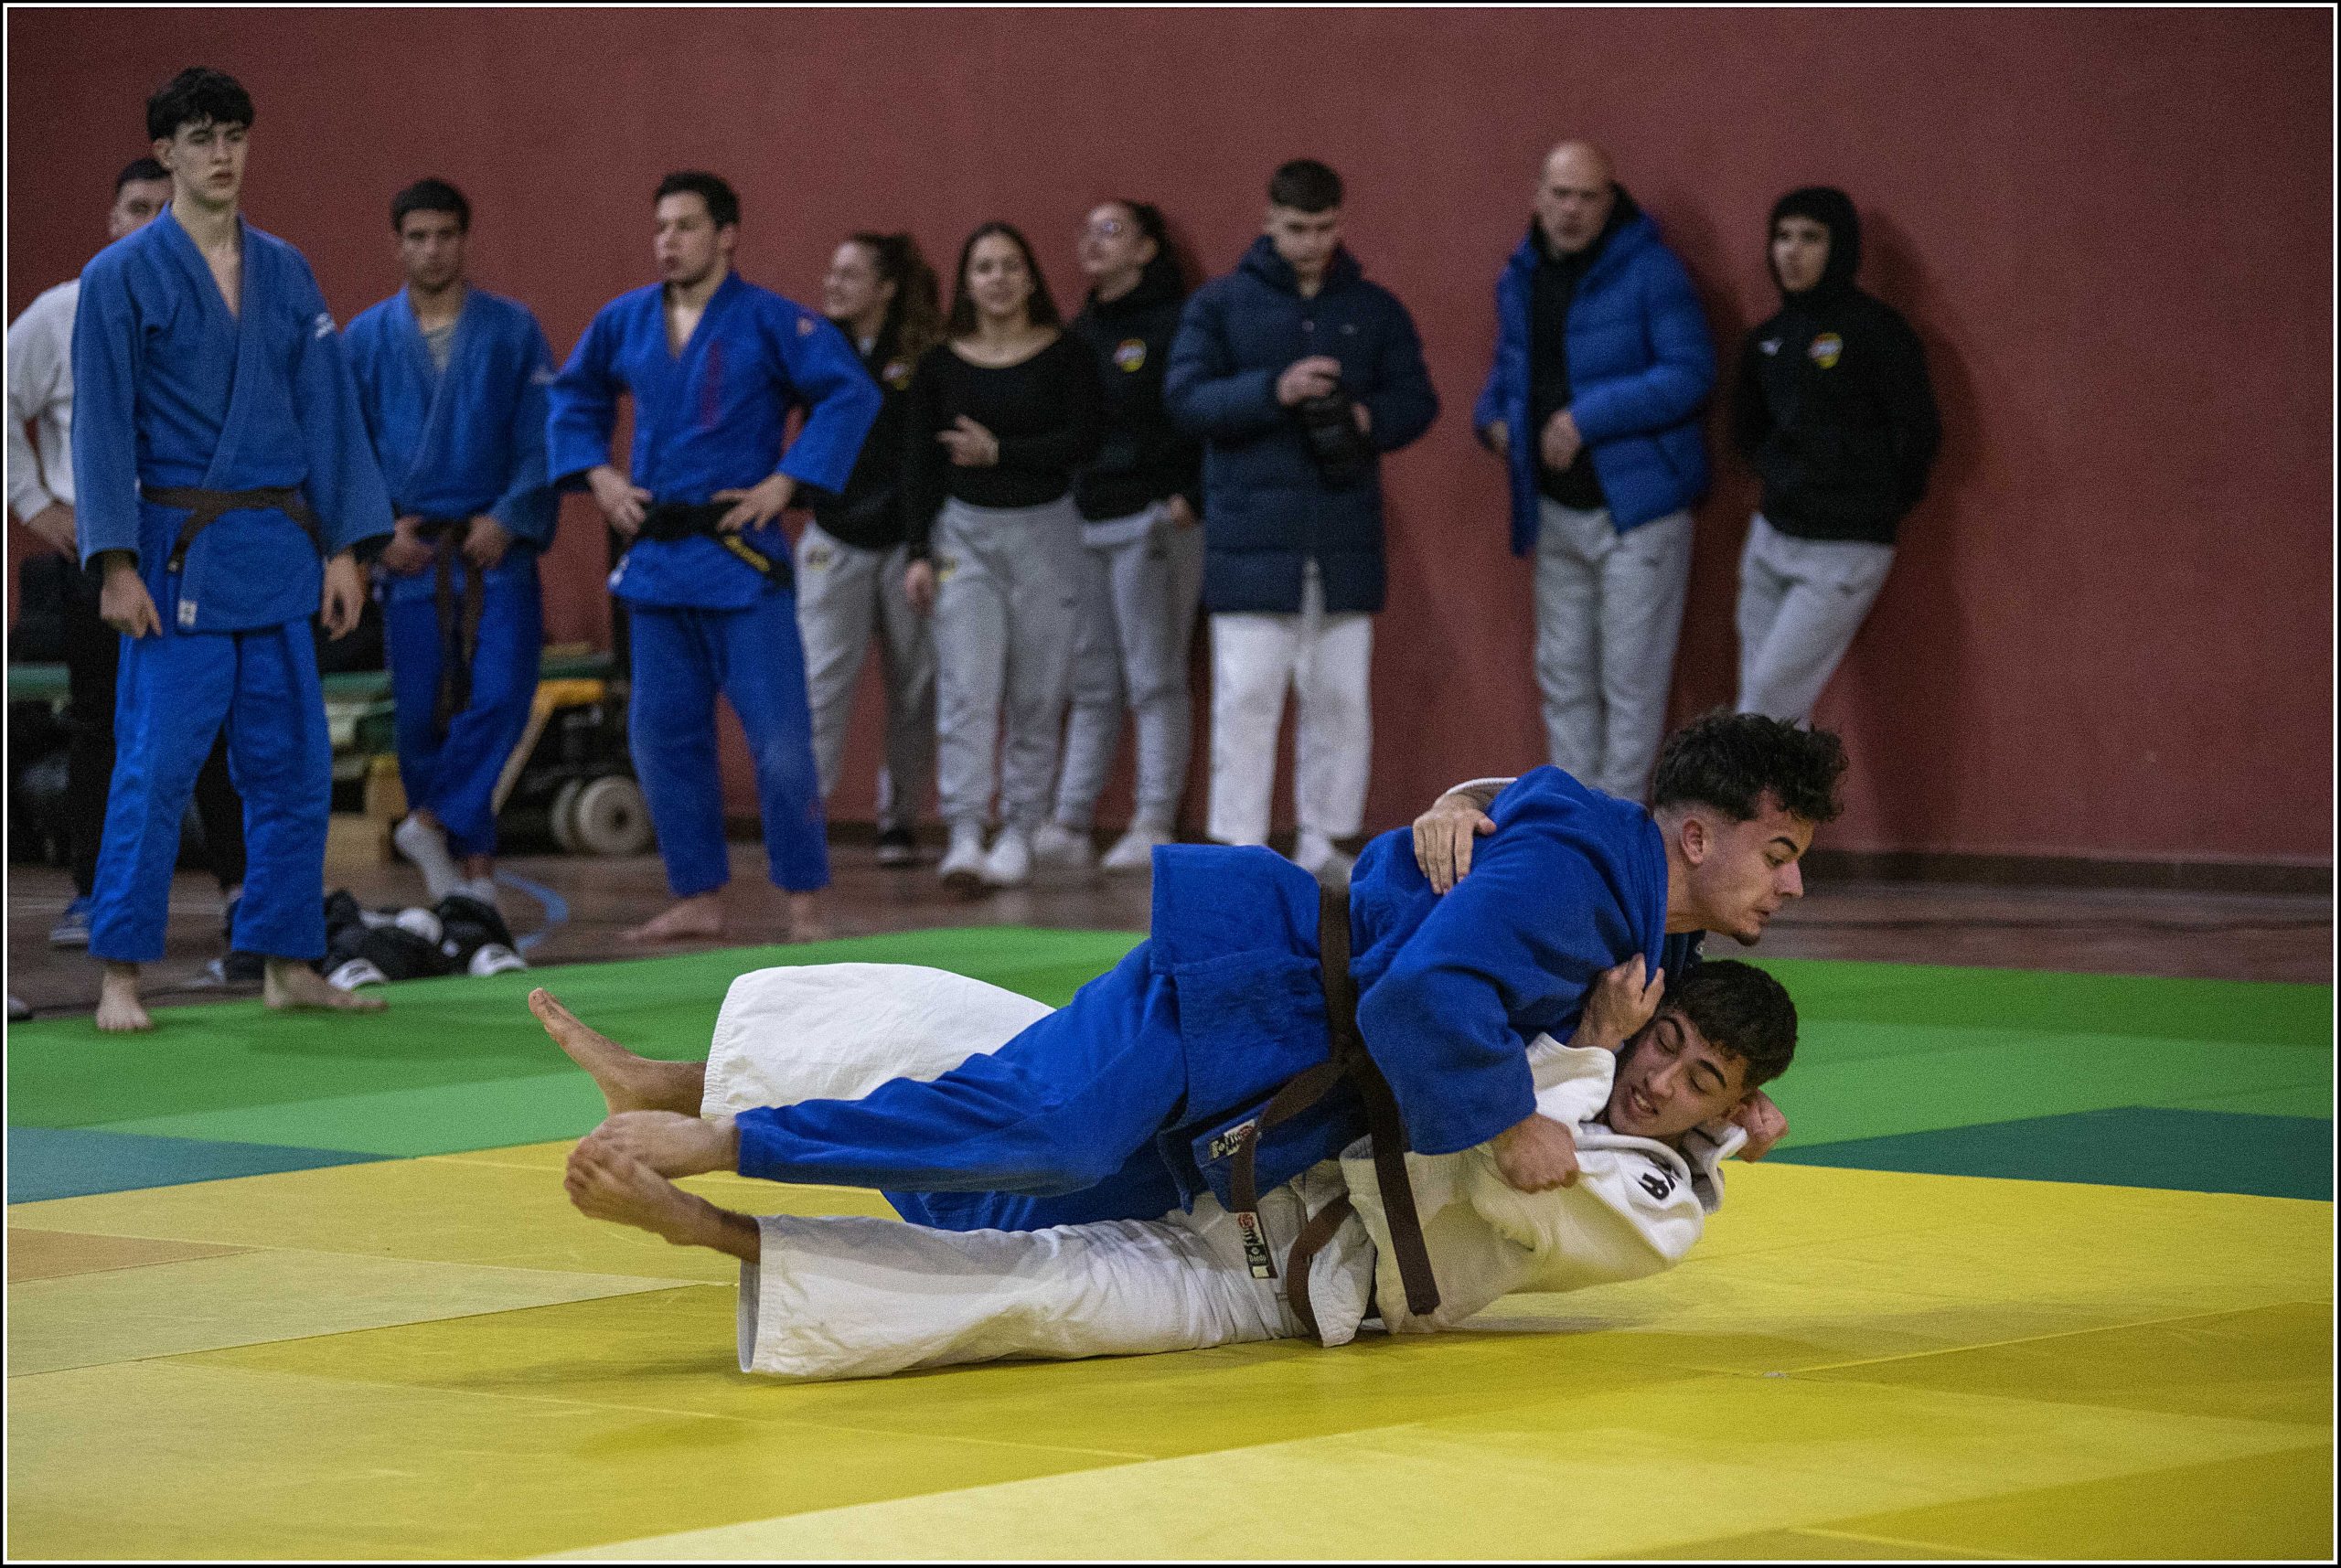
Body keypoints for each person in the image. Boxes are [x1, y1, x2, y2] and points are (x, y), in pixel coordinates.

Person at [547, 712, 1839, 1270]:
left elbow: (1667, 1047)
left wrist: (1730, 1120)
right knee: (1050, 1131)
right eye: (1778, 850)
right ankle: (720, 1138)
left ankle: (700, 1110)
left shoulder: (1641, 916)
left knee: (1008, 1205)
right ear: (1695, 833)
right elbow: (1422, 997)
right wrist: (1506, 1117)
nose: (1789, 883)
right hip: (1246, 982)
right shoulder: (1581, 873)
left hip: (1282, 1083)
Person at [547, 950, 1792, 1381]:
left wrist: (1592, 1045)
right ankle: (686, 1085)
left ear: (1728, 1110)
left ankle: (703, 1223)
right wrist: (1458, 806)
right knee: (1017, 1054)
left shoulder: (1661, 1201)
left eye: (1700, 1083)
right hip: (1267, 1143)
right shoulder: (1579, 1033)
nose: (1660, 1081)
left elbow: (1500, 1168)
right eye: (1666, 1042)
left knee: (1039, 1288)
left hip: (1281, 1276)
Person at [71, 67, 394, 1032]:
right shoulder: (120, 276)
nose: (222, 154)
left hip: (280, 550)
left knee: (295, 769)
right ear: (165, 151)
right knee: (156, 766)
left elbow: (328, 411)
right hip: (178, 559)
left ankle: (287, 958)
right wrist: (114, 562)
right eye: (201, 137)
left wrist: (344, 547)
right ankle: (120, 971)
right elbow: (100, 427)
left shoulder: (287, 269)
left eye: (234, 136)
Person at [547, 171, 880, 944]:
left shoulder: (770, 320)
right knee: (662, 739)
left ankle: (806, 901)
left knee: (783, 746)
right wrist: (600, 475)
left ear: (727, 235)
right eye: (661, 226)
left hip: (741, 561)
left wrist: (787, 481)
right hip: (658, 567)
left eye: (687, 226)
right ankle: (697, 894)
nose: (669, 241)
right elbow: (573, 395)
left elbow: (849, 394)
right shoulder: (625, 319)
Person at [9, 155, 257, 979]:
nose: (151, 220)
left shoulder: (224, 300)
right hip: (104, 546)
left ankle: (240, 888)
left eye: (163, 206)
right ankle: (94, 891)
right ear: (112, 221)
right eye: (136, 208)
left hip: (199, 540)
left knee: (218, 717)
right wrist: (36, 503)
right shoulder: (65, 309)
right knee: (101, 723)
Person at [1164, 159, 1438, 881]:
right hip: (1250, 538)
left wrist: (1364, 416)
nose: (1312, 242)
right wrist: (1274, 389)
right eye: (1297, 228)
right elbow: (1185, 397)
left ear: (1341, 222)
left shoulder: (1373, 309)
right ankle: (1241, 848)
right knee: (1246, 698)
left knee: (1341, 699)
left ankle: (1328, 840)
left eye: (1324, 228)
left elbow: (1418, 401)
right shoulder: (1220, 305)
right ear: (1268, 220)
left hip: (1343, 537)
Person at [1474, 141, 1716, 803]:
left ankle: (1619, 820)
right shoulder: (1521, 275)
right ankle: (1575, 817)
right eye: (1560, 194)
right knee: (1563, 673)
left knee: (1631, 677)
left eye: (1587, 197)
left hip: (1638, 510)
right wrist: (1491, 419)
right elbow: (1510, 369)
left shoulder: (1652, 271)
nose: (1572, 210)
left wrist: (1587, 418)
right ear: (1537, 197)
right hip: (1554, 507)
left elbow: (1691, 371)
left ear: (1611, 202)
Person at [346, 177, 558, 910]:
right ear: (397, 244)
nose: (432, 249)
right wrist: (377, 534)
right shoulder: (365, 339)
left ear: (465, 240)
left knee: (501, 695)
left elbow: (542, 436)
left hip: (495, 545)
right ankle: (468, 878)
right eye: (418, 237)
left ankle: (431, 823)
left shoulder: (513, 330)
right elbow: (344, 449)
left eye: (444, 235)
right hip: (412, 551)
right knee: (421, 716)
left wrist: (511, 516)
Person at [901, 222, 1106, 891]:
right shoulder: (939, 364)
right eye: (984, 267)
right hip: (963, 536)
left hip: (1047, 534)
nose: (998, 279)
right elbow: (918, 462)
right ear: (966, 281)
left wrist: (1002, 452)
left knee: (1038, 693)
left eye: (1011, 265)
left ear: (1030, 277)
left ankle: (1020, 827)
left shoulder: (1066, 355)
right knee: (967, 689)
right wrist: (917, 551)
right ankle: (964, 830)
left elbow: (1084, 440)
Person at [1031, 200, 1205, 875]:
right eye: (1087, 230)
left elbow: (1190, 415)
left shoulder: (1177, 324)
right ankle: (1070, 819)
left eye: (1111, 231)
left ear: (1147, 248)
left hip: (1152, 518)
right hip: (1086, 518)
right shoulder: (1080, 331)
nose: (1093, 242)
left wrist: (1187, 491)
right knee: (1092, 676)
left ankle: (1153, 820)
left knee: (1154, 675)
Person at [1732, 187, 1941, 724]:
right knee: (1771, 713)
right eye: (1782, 237)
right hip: (1771, 537)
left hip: (1843, 550)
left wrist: (1871, 504)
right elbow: (1746, 431)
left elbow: (1918, 433)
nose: (1792, 252)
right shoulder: (1768, 340)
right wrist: (1782, 477)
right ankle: (1791, 788)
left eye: (1811, 238)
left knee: (1764, 709)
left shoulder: (1878, 332)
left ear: (1840, 247)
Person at [796, 232, 941, 868]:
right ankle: (805, 825)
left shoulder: (917, 357)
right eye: (832, 271)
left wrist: (918, 544)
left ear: (885, 288)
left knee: (914, 686)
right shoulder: (813, 350)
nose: (833, 284)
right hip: (834, 537)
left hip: (906, 543)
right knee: (820, 685)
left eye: (850, 274)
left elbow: (917, 458)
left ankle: (898, 820)